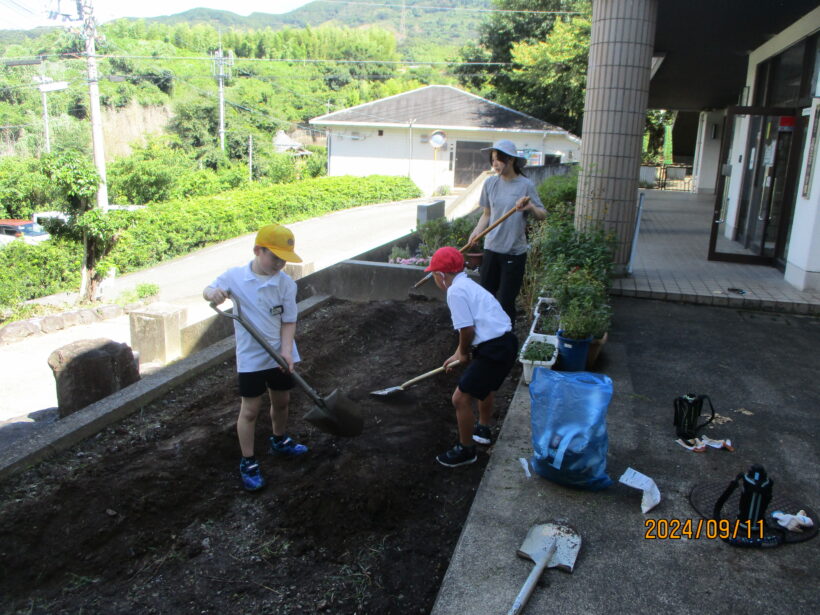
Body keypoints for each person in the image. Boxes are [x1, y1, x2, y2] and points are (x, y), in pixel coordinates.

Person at [203, 223, 308, 492]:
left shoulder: (285, 283)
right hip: (251, 357)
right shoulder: (235, 277)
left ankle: (279, 440)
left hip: (279, 352)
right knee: (250, 410)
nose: (280, 264)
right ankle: (248, 462)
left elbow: (289, 320)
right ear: (257, 250)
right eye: (275, 257)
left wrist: (285, 351)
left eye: (284, 259)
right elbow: (209, 291)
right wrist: (213, 293)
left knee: (282, 401)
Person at [426, 246, 519, 468]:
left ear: (441, 275)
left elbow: (466, 330)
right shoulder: (468, 285)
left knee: (460, 398)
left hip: (494, 348)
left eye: (433, 275)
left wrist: (462, 353)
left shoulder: (455, 292)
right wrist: (461, 353)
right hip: (505, 343)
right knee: (483, 387)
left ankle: (466, 450)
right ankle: (483, 428)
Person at [468, 139, 546, 324]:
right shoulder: (490, 183)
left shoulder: (525, 185)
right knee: (486, 297)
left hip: (514, 252)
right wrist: (476, 232)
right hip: (491, 249)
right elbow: (487, 214)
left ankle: (506, 340)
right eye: (492, 160)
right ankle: (486, 336)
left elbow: (542, 214)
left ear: (511, 160)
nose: (494, 164)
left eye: (498, 159)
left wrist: (530, 208)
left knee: (505, 301)